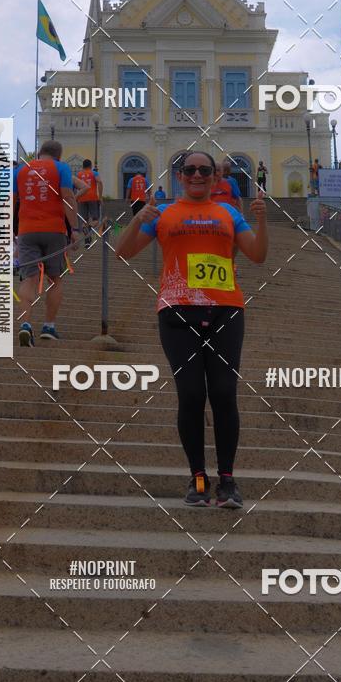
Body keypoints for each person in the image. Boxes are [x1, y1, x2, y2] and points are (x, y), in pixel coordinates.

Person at [115, 151, 268, 509]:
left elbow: (258, 255)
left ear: (215, 177)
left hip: (225, 309)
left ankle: (227, 480)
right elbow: (122, 252)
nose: (197, 175)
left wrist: (261, 221)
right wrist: (137, 220)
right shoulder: (163, 213)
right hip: (177, 310)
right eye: (190, 170)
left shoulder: (229, 213)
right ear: (180, 176)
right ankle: (198, 478)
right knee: (191, 394)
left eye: (204, 170)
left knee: (224, 393)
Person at [13, 140, 79, 345]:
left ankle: (25, 324)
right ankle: (49, 327)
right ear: (59, 155)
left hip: (26, 230)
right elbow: (67, 197)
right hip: (54, 230)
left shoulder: (20, 169)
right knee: (54, 278)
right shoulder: (61, 168)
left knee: (29, 278)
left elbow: (10, 201)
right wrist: (75, 229)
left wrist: (9, 232)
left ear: (39, 153)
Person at [76, 159, 103, 248]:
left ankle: (87, 240)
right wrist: (100, 196)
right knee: (95, 219)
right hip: (93, 198)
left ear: (83, 166)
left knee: (84, 220)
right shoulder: (94, 173)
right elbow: (99, 182)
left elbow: (76, 186)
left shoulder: (79, 174)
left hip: (81, 199)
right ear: (90, 166)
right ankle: (89, 228)